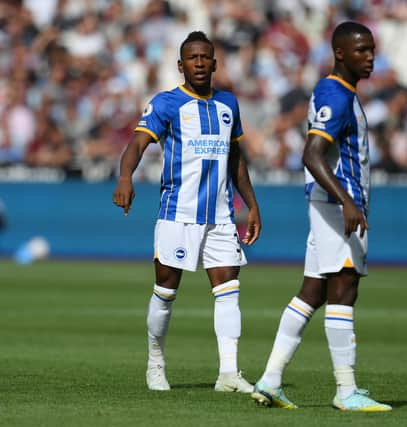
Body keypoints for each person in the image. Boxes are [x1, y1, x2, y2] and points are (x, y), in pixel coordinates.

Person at [251, 21, 391, 412]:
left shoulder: (340, 92)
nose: (369, 57)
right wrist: (347, 201)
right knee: (344, 290)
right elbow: (312, 154)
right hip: (336, 208)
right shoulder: (336, 94)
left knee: (311, 292)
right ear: (340, 53)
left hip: (327, 205)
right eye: (361, 50)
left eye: (372, 49)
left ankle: (270, 379)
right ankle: (346, 391)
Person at [112, 31, 261, 392]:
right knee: (165, 290)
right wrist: (125, 177)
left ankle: (228, 374)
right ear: (181, 65)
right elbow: (137, 144)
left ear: (214, 62)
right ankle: (156, 363)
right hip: (177, 213)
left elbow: (236, 161)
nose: (198, 63)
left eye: (204, 57)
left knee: (229, 288)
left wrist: (252, 205)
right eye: (191, 58)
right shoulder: (166, 104)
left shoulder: (229, 104)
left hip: (221, 216)